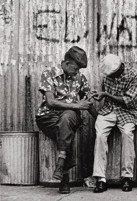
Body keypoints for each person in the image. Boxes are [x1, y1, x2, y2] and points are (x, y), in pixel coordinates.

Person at [36, 46, 97, 194]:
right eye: (75, 68)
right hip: (47, 116)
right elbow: (50, 102)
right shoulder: (49, 73)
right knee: (64, 129)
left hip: (70, 116)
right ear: (66, 63)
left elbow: (87, 102)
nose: (77, 72)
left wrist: (99, 117)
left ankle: (62, 165)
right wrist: (77, 105)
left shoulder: (80, 78)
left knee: (67, 117)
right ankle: (64, 172)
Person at [91, 54, 137, 193]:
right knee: (100, 134)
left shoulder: (134, 75)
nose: (111, 77)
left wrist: (106, 95)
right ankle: (100, 178)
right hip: (109, 110)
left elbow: (129, 101)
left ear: (120, 68)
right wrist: (98, 95)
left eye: (113, 74)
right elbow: (103, 94)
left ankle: (127, 177)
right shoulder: (108, 75)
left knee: (127, 134)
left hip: (128, 111)